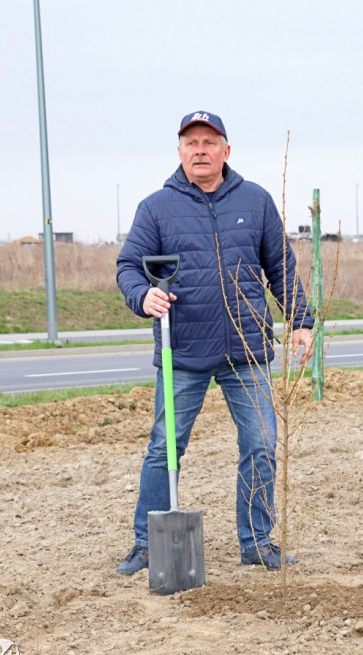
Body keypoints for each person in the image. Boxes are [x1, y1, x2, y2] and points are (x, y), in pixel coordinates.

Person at [115, 111, 314, 574]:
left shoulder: (256, 201)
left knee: (261, 444)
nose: (200, 150)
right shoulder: (156, 208)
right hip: (183, 350)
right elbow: (128, 266)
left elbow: (281, 267)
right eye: (192, 143)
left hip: (246, 349)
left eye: (209, 142)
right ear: (180, 152)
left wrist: (300, 320)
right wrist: (142, 295)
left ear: (226, 151)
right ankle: (147, 544)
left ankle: (257, 541)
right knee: (165, 447)